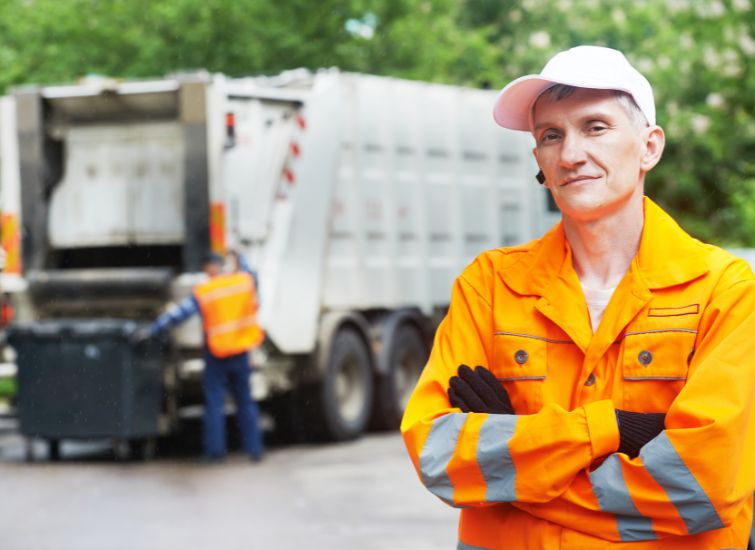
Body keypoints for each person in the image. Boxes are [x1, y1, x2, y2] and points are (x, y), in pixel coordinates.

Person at [401, 45, 755, 549]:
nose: (570, 154)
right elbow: (438, 458)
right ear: (538, 161)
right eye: (551, 135)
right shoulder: (489, 286)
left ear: (649, 147)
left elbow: (702, 485)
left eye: (596, 127)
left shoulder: (725, 291)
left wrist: (512, 467)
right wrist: (608, 427)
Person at [141, 250, 265, 463]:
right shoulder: (243, 282)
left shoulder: (207, 290)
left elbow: (179, 315)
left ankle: (216, 453)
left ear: (209, 267)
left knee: (215, 404)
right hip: (241, 354)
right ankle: (254, 451)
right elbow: (252, 275)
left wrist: (152, 330)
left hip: (217, 356)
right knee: (245, 402)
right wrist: (239, 255)